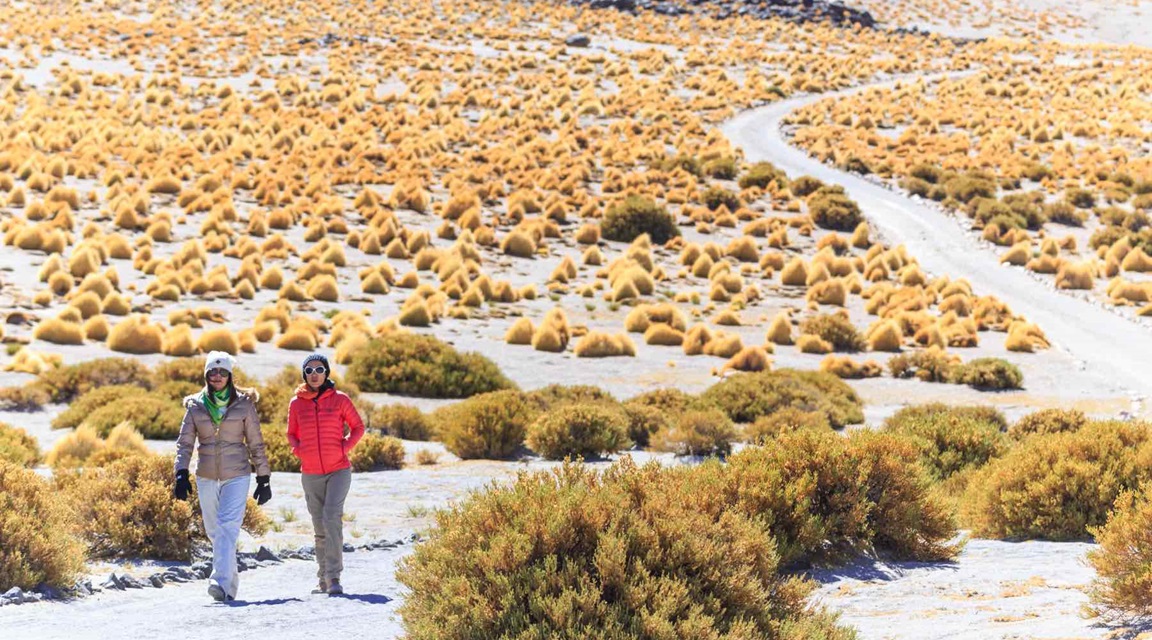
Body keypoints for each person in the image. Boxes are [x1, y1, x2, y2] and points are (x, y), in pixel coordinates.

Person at [174, 351, 271, 603]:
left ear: (230, 376)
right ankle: (230, 586)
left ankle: (219, 582)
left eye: (222, 372)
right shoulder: (195, 405)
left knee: (227, 527)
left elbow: (256, 443)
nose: (217, 376)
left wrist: (264, 477)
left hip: (237, 474)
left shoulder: (244, 404)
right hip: (206, 475)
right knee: (214, 531)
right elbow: (184, 443)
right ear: (206, 374)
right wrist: (180, 473)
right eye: (213, 372)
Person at [286, 352, 365, 596]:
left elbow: (358, 427)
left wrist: (343, 447)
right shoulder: (296, 403)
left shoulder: (339, 399)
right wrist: (299, 451)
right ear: (304, 375)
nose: (314, 375)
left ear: (326, 372)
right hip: (310, 473)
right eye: (309, 371)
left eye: (319, 369)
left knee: (332, 518)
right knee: (319, 526)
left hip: (338, 470)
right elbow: (291, 433)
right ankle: (322, 578)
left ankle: (334, 578)